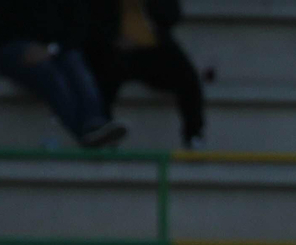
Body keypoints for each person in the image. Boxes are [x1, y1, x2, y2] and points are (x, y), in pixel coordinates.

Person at [0, 0, 128, 148]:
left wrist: (51, 49)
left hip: (58, 47)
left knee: (77, 67)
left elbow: (78, 27)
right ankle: (87, 133)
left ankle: (96, 122)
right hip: (14, 45)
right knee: (50, 74)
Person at [86, 0, 206, 148]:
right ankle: (104, 133)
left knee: (187, 76)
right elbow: (92, 18)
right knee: (101, 79)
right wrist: (113, 38)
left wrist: (152, 31)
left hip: (151, 47)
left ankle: (194, 135)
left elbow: (172, 13)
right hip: (113, 49)